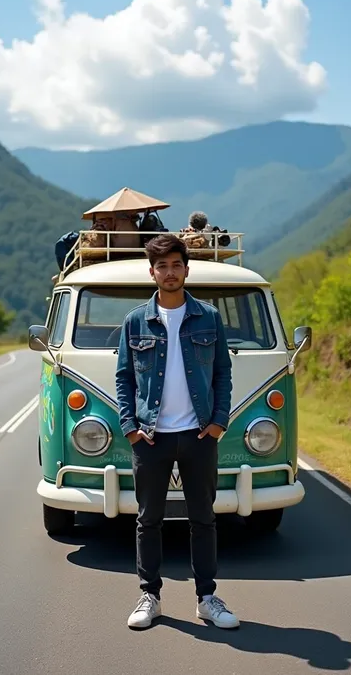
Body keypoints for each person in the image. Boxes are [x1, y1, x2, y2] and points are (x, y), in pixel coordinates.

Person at [115, 233, 239, 630]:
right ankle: (149, 595)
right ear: (152, 272)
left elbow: (222, 372)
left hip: (199, 433)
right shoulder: (135, 321)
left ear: (187, 268)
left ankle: (206, 598)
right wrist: (130, 426)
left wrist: (219, 420)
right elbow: (123, 379)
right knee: (148, 519)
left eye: (176, 264)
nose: (170, 272)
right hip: (150, 437)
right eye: (162, 266)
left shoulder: (209, 317)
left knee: (203, 518)